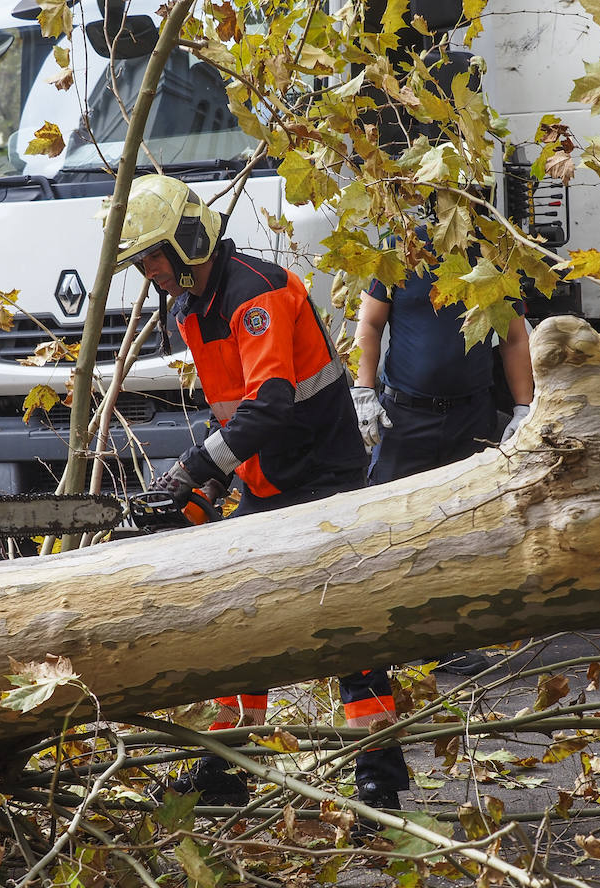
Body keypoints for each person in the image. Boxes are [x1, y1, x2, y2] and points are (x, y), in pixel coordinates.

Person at [102, 173, 409, 814]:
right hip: (268, 477)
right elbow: (231, 414)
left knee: (343, 624)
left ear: (188, 242)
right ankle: (227, 768)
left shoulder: (256, 294)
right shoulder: (192, 308)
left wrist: (192, 468)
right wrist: (207, 480)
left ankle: (378, 776)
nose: (150, 271)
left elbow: (267, 407)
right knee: (240, 622)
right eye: (141, 262)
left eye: (154, 256)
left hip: (322, 476)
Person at [351, 229, 535, 676]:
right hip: (405, 418)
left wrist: (523, 406)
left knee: (460, 530)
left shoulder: (494, 258)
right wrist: (363, 390)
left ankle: (447, 641)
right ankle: (386, 639)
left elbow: (514, 338)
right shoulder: (400, 252)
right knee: (388, 526)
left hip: (468, 418)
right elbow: (370, 325)